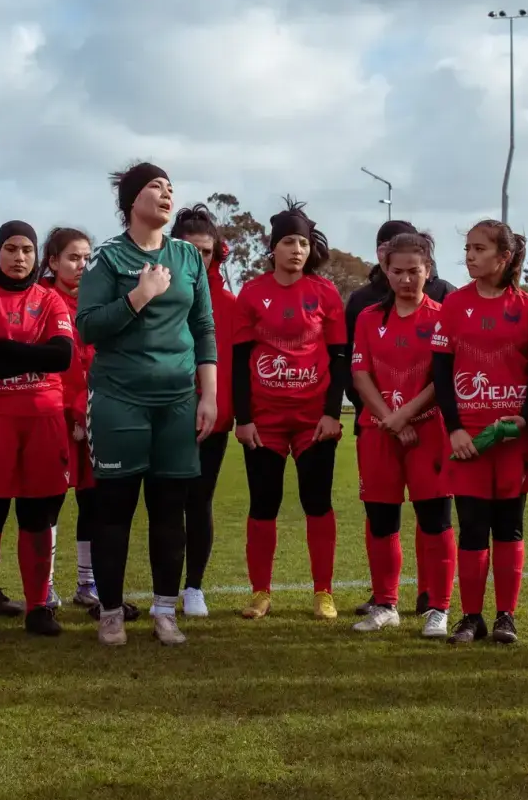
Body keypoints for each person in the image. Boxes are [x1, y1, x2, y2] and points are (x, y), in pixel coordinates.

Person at [76, 162, 218, 646]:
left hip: (178, 400)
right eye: (155, 187)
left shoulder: (187, 257)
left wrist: (210, 395)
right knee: (114, 508)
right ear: (132, 199)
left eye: (170, 188)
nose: (166, 194)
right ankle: (111, 612)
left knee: (170, 509)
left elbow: (204, 328)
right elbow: (89, 326)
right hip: (119, 398)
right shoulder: (107, 258)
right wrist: (139, 295)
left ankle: (164, 610)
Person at [0, 221, 75, 638]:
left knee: (37, 516)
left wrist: (3, 349)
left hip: (43, 417)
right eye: (11, 248)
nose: (19, 257)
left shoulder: (50, 300)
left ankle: (38, 608)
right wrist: (31, 355)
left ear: (37, 256)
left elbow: (60, 356)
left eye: (27, 250)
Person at [234, 200, 348, 622]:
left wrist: (332, 413)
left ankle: (323, 592)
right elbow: (238, 359)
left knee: (316, 502)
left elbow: (339, 357)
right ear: (273, 248)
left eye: (302, 242)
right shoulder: (252, 292)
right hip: (264, 421)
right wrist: (243, 418)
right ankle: (260, 593)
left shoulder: (325, 293)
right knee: (263, 504)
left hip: (313, 419)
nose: (296, 249)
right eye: (287, 241)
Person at [431, 220, 528, 645]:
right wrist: (455, 429)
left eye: (479, 248)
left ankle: (505, 617)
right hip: (468, 440)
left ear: (504, 257)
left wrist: (525, 417)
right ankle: (471, 617)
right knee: (472, 526)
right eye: (468, 248)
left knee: (510, 526)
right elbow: (440, 372)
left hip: (513, 439)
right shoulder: (454, 306)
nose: (470, 256)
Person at [348, 233, 455, 636]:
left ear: (428, 270)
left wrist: (407, 416)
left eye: (415, 270)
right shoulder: (368, 318)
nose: (407, 279)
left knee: (435, 520)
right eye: (398, 271)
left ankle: (439, 609)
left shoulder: (443, 317)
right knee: (381, 520)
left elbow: (441, 379)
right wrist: (390, 419)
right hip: (378, 433)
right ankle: (385, 604)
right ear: (385, 271)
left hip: (428, 434)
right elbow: (360, 375)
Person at [40, 226, 126, 613]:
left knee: (93, 503)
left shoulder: (101, 301)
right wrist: (73, 411)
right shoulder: (41, 301)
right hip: (56, 416)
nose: (82, 265)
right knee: (49, 502)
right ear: (53, 261)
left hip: (95, 416)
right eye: (73, 258)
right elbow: (50, 366)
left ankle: (87, 583)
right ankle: (44, 584)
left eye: (87, 258)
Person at [170, 204, 237, 617]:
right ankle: (163, 588)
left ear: (218, 253)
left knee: (199, 501)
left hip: (211, 420)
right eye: (188, 249)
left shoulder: (229, 305)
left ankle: (193, 587)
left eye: (206, 252)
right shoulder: (150, 293)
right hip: (159, 414)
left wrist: (220, 411)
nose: (198, 259)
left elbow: (230, 365)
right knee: (163, 504)